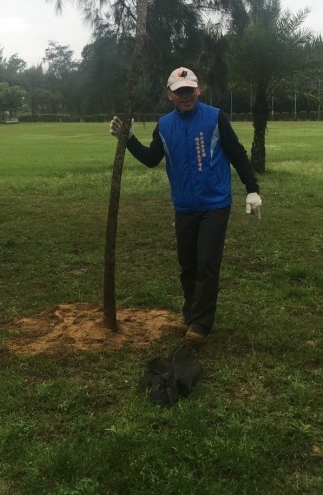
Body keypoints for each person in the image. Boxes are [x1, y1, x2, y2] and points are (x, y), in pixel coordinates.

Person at [110, 67, 262, 345]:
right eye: (179, 92)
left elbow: (237, 153)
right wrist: (128, 139)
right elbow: (151, 158)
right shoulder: (165, 125)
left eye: (189, 90)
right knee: (188, 265)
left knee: (206, 262)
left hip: (215, 203)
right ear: (170, 95)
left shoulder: (215, 118)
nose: (185, 96)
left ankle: (201, 324)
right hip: (184, 207)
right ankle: (192, 315)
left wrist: (252, 189)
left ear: (198, 90)